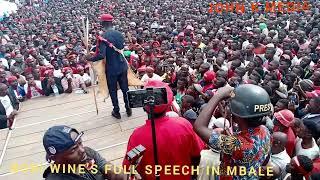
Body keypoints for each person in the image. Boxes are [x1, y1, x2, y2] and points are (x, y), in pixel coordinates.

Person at [122, 80, 204, 180]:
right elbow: (197, 155)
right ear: (169, 105)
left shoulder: (136, 136)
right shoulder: (184, 124)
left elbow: (127, 168)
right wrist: (193, 175)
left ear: (144, 106)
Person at [194, 84, 272, 179]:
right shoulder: (265, 131)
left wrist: (218, 96)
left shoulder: (236, 144)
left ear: (238, 117)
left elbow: (199, 127)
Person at [88, 14, 131, 119]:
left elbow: (102, 55)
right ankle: (128, 108)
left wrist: (89, 58)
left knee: (113, 90)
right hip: (122, 66)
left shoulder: (103, 37)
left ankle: (117, 111)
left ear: (103, 23)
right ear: (112, 22)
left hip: (111, 68)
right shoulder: (119, 34)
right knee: (125, 88)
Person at [42, 125, 127, 180]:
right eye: (73, 149)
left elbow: (108, 168)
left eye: (80, 143)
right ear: (54, 158)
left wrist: (126, 176)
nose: (82, 150)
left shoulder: (87, 154)